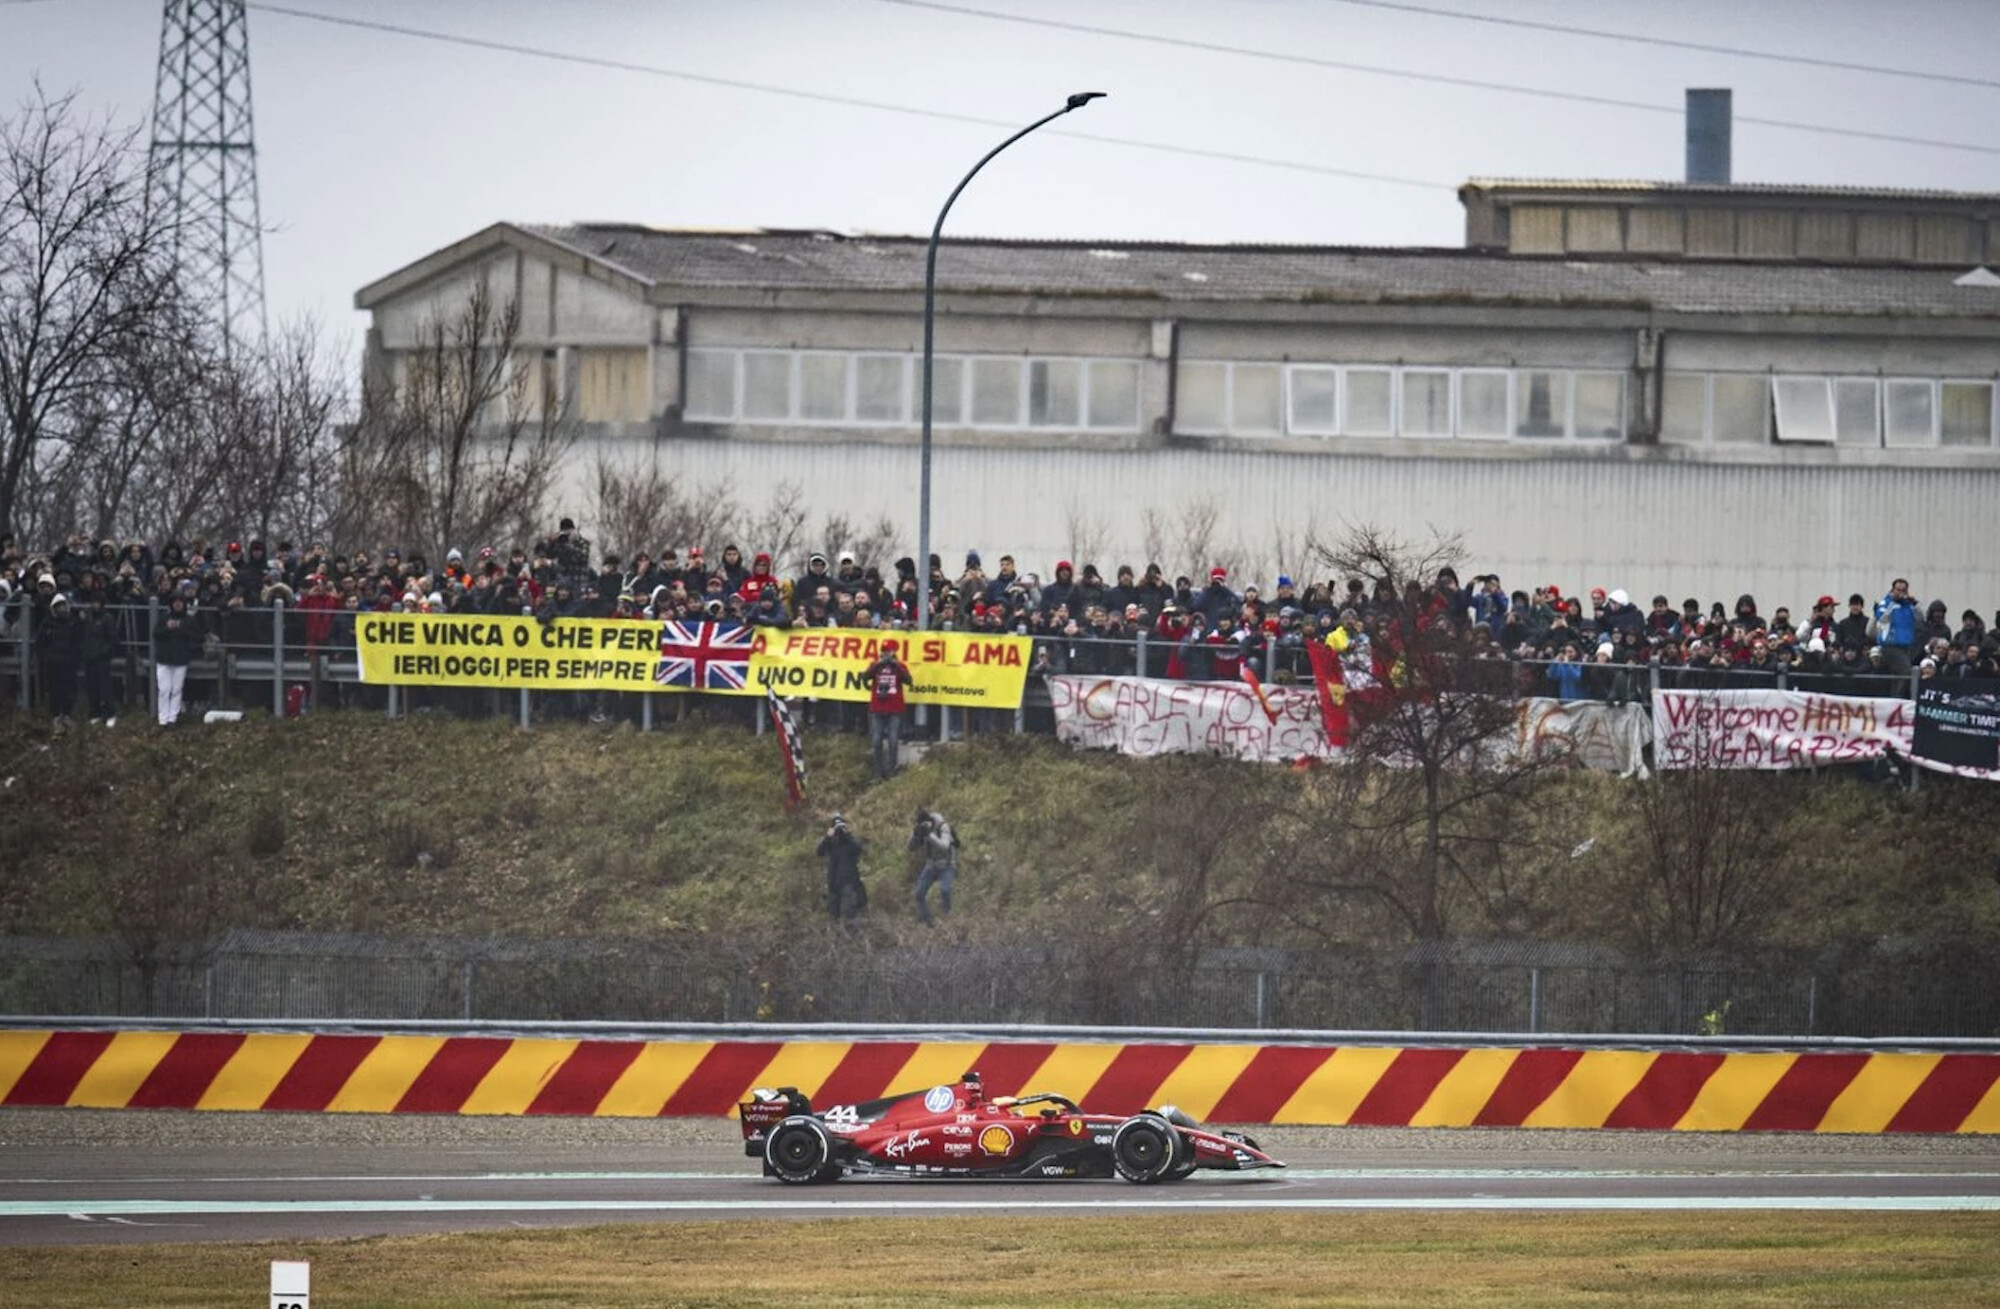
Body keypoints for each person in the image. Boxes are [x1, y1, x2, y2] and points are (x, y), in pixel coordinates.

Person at [862, 639, 911, 779]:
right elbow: (865, 677)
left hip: (894, 708)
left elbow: (909, 680)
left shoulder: (900, 666)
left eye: (888, 652)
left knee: (893, 740)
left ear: (894, 652)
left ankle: (892, 770)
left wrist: (896, 665)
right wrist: (877, 664)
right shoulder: (875, 665)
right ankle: (878, 771)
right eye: (883, 652)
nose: (886, 655)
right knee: (876, 740)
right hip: (877, 708)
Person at [153, 591, 199, 725]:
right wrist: (168, 628)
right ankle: (163, 718)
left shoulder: (189, 620)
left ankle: (173, 717)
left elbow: (196, 637)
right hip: (164, 659)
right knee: (164, 689)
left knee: (177, 689)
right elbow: (156, 634)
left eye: (180, 601)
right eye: (175, 602)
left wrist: (181, 629)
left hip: (181, 658)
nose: (178, 604)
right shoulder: (164, 618)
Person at [816, 812, 867, 926]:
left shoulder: (850, 841)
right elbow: (819, 852)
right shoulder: (830, 842)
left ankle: (853, 936)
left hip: (849, 881)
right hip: (833, 882)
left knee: (850, 911)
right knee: (833, 913)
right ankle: (836, 936)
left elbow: (859, 849)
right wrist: (827, 838)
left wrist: (847, 835)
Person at [910, 806, 959, 925]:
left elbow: (944, 846)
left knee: (945, 891)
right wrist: (915, 835)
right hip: (931, 866)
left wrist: (930, 835)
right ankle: (928, 920)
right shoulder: (921, 828)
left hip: (947, 865)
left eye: (927, 825)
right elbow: (910, 848)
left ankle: (947, 919)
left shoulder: (943, 826)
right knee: (919, 893)